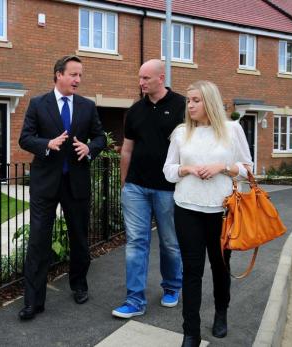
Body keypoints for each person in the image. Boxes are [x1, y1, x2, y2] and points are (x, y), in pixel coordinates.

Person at [162, 80, 253, 347]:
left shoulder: (231, 129)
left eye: (196, 100)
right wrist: (187, 169)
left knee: (220, 265)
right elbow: (168, 171)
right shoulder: (181, 133)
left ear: (209, 102)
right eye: (188, 100)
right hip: (186, 208)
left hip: (222, 211)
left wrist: (222, 167)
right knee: (191, 270)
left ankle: (221, 313)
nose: (189, 105)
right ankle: (190, 331)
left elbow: (250, 169)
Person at [18, 55, 106, 320]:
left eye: (80, 75)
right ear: (58, 74)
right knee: (38, 241)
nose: (78, 80)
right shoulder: (37, 104)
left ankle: (79, 285)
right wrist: (47, 144)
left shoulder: (87, 106)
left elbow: (101, 137)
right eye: (73, 74)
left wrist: (90, 147)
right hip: (46, 185)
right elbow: (25, 138)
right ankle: (33, 301)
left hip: (76, 184)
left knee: (79, 239)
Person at [112, 59, 184, 319]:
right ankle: (134, 301)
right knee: (136, 243)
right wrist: (125, 184)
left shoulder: (182, 106)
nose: (141, 82)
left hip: (168, 189)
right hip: (136, 189)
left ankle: (172, 286)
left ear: (160, 77)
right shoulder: (134, 111)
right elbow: (127, 150)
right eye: (139, 78)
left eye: (146, 78)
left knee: (170, 243)